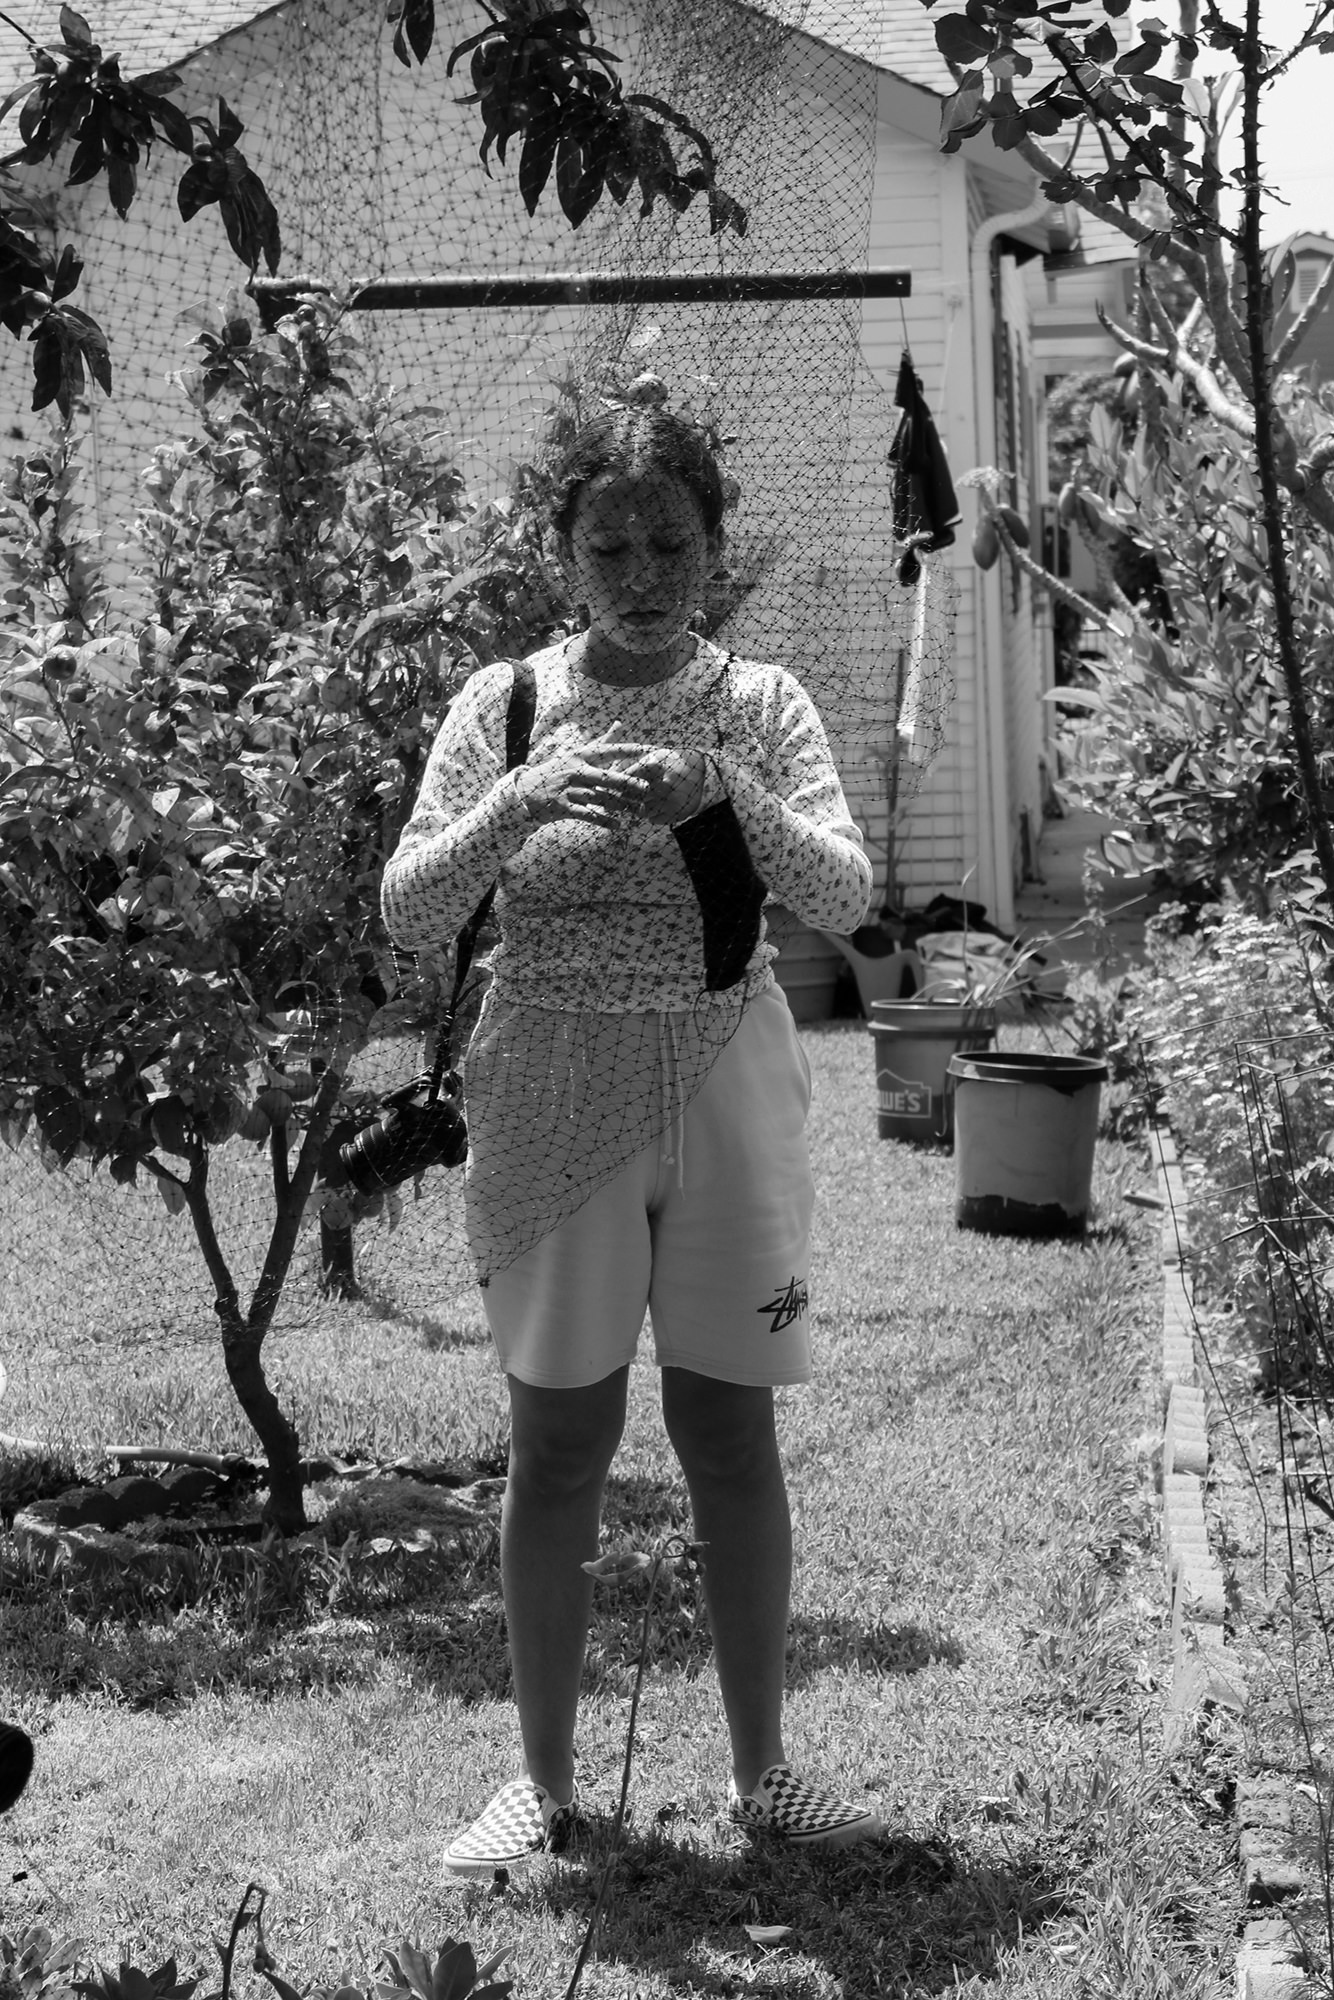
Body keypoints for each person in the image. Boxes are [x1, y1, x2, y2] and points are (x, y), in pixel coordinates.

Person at [381, 383, 880, 1877]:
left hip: (727, 1077)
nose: (644, 574)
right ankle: (540, 1783)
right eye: (611, 547)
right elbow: (408, 912)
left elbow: (845, 899)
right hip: (544, 1091)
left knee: (728, 1432)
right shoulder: (506, 704)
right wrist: (518, 802)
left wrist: (717, 793)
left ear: (712, 544)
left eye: (670, 541)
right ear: (565, 555)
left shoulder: (760, 704)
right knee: (558, 1443)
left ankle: (765, 1773)